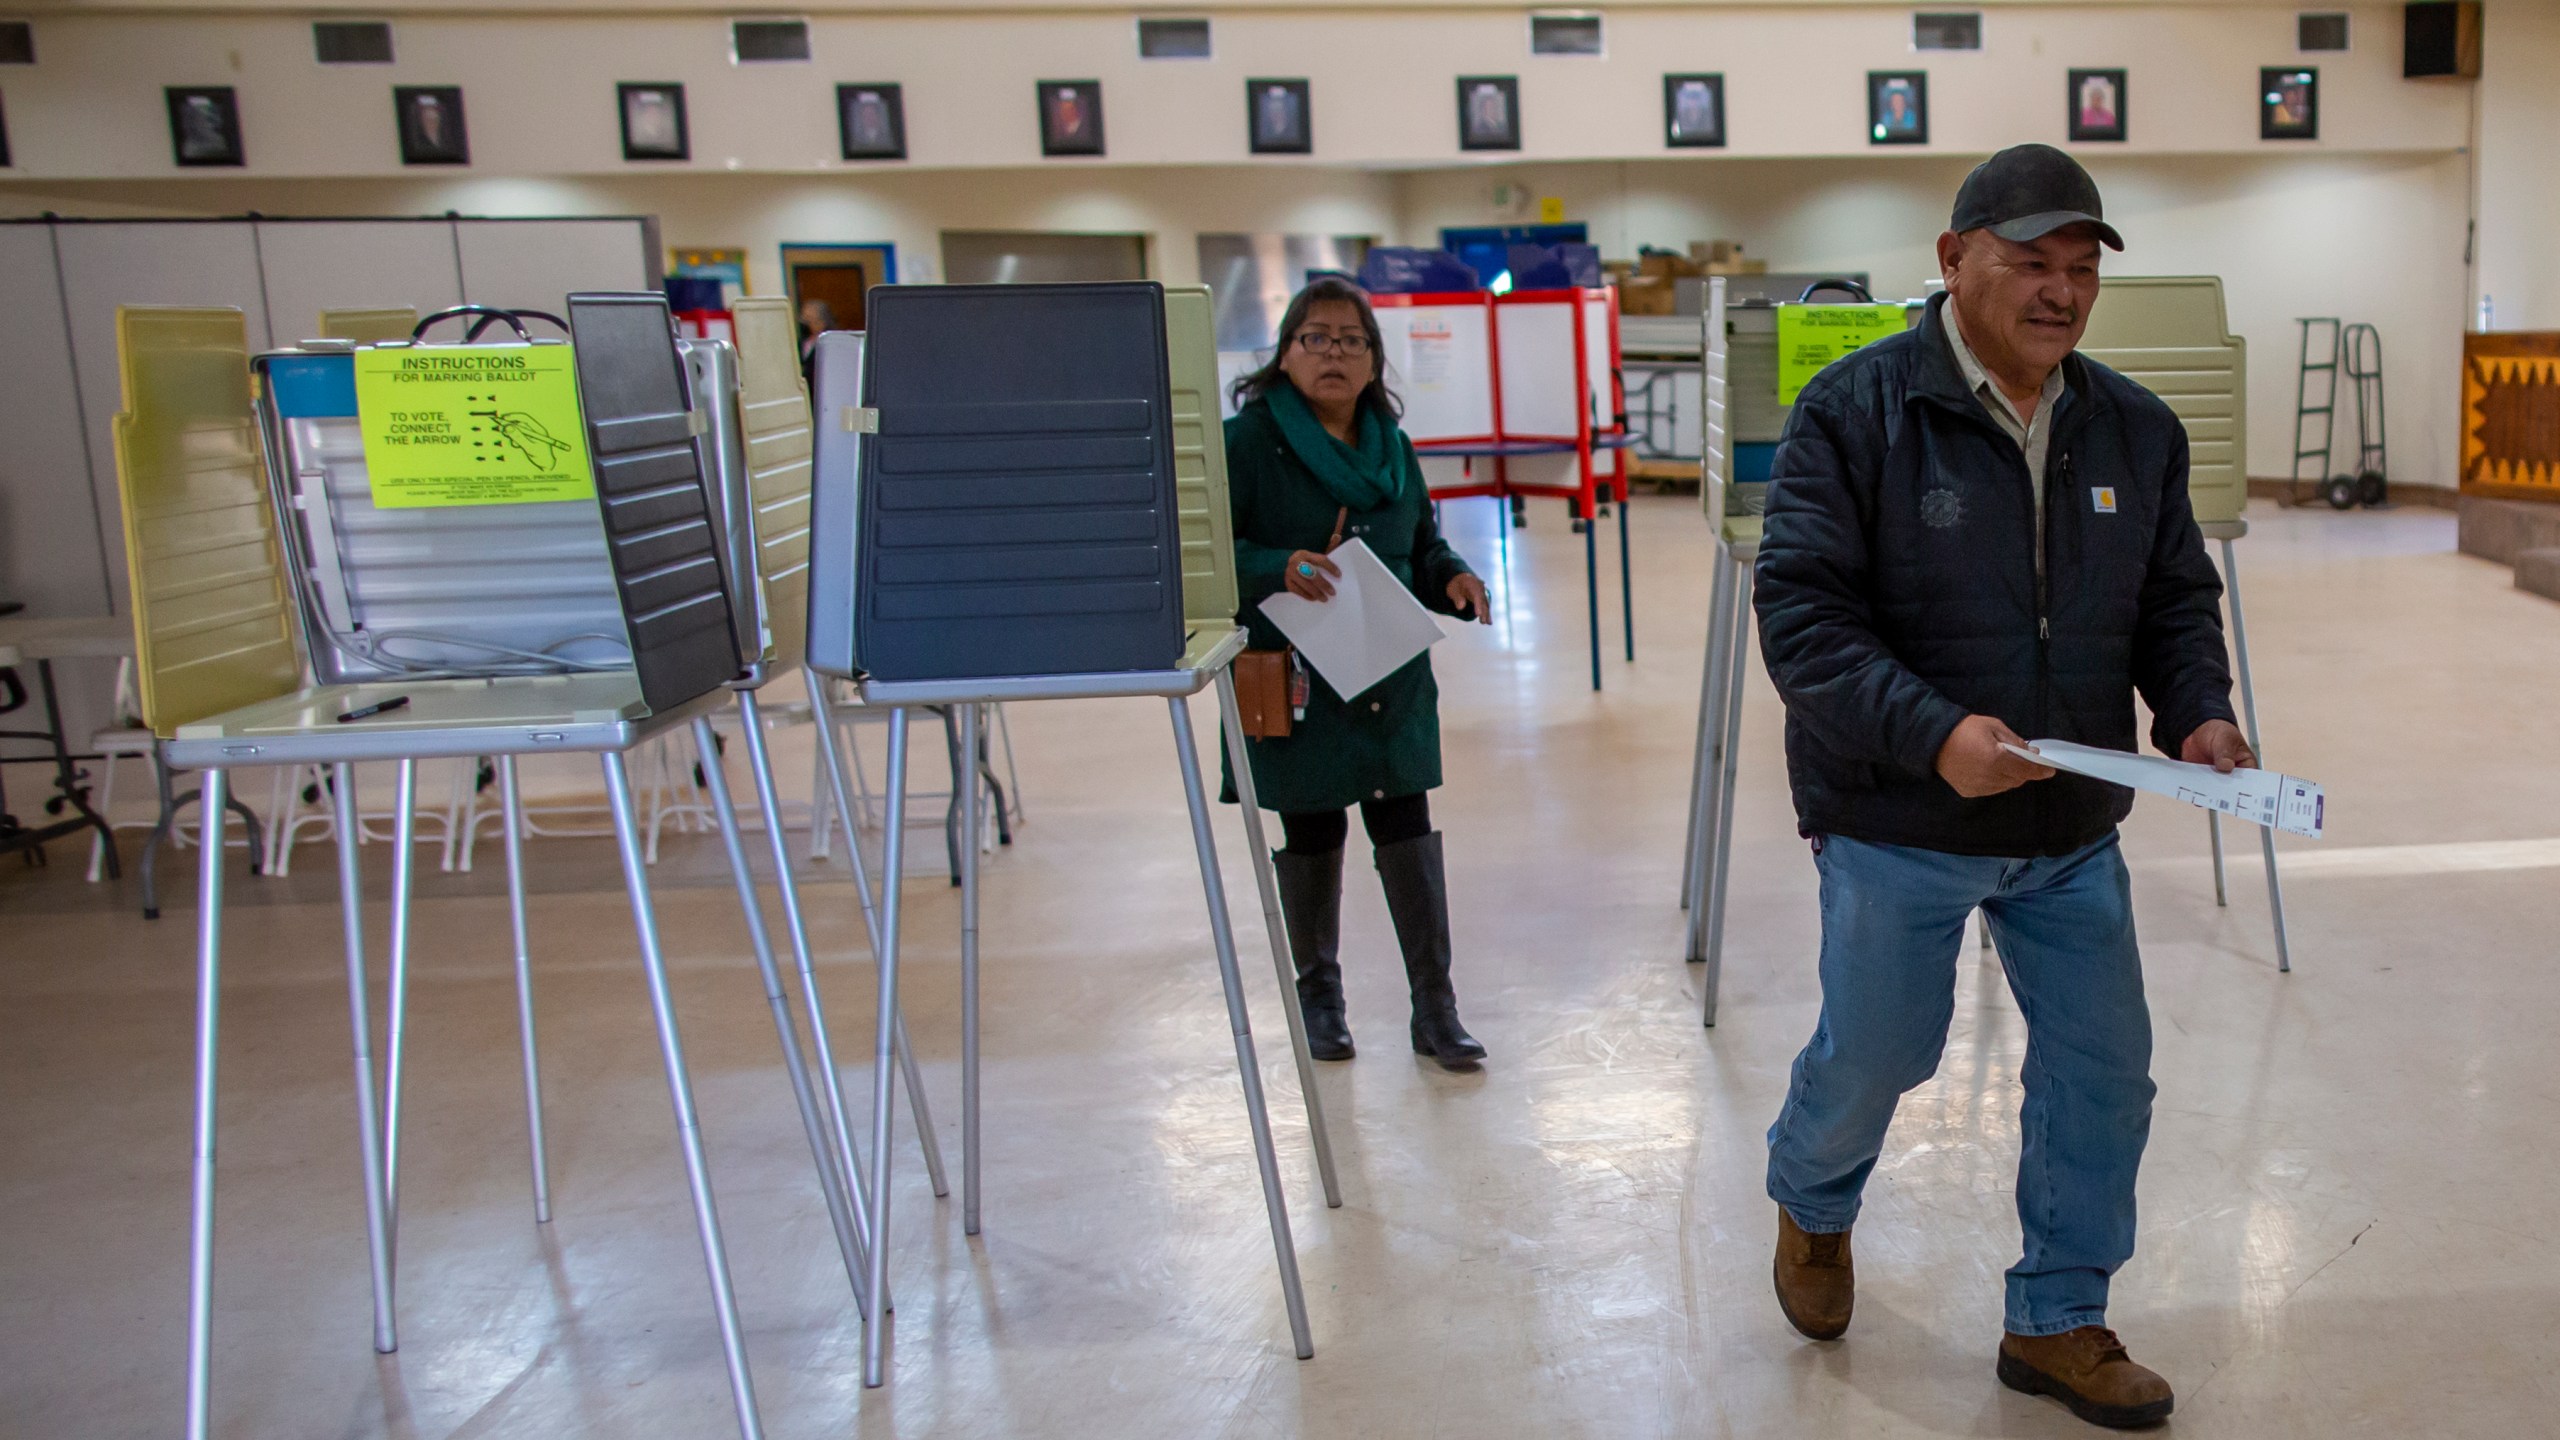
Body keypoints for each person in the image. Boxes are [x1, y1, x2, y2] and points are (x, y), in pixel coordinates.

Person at [1753, 144, 2251, 1429]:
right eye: (2031, 263)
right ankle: (1812, 1205)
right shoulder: (1853, 413)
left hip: (2068, 825)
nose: (2060, 293)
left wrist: (2195, 709)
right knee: (1878, 1054)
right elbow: (1803, 621)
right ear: (1953, 259)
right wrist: (1933, 738)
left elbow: (2172, 601)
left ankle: (2058, 1319)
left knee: (2102, 1068)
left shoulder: (2133, 427)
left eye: (2080, 270)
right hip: (1897, 815)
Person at [1222, 276, 1494, 1071]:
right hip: (1297, 673)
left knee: (1404, 820)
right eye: (1316, 338)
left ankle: (1435, 1011)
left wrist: (1451, 576)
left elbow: (1422, 546)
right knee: (1311, 825)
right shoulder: (1248, 443)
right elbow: (1206, 560)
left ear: (1374, 359)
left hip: (1387, 668)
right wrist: (1277, 566)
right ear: (1286, 352)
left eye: (1350, 340)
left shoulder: (1391, 446)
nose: (1333, 354)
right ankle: (1321, 1003)